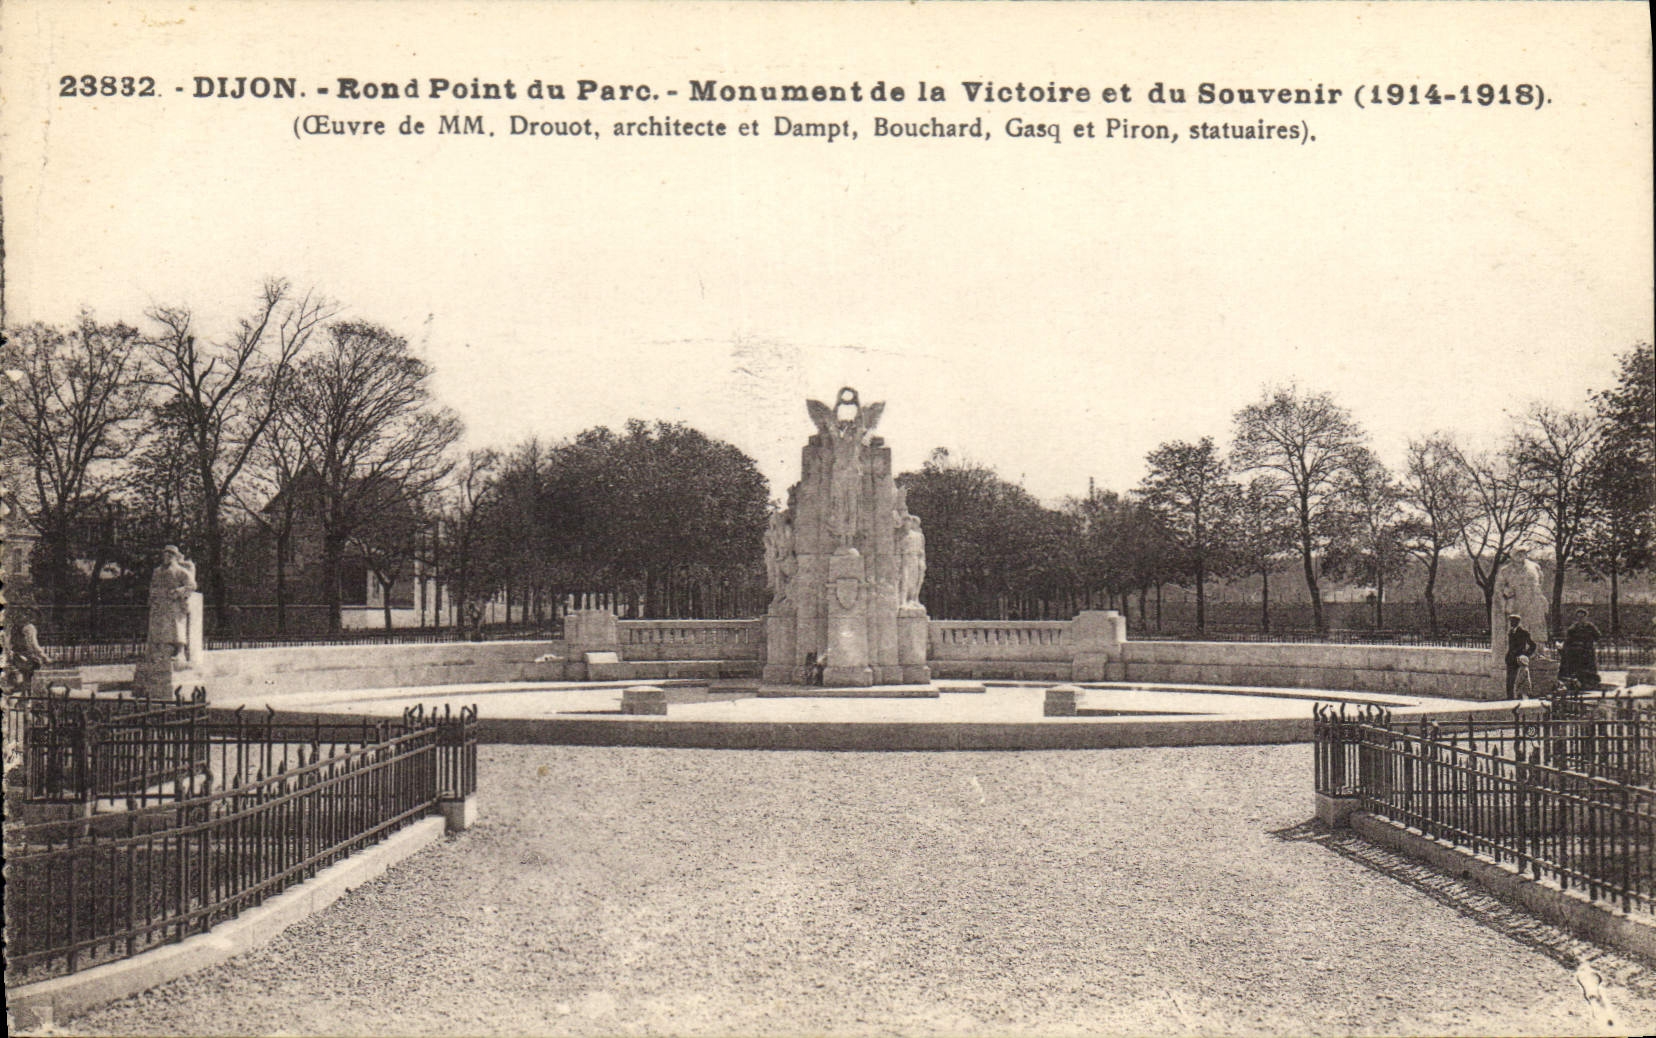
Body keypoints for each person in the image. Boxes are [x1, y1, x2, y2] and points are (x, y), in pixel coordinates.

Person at [1558, 608, 1603, 689]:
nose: (1580, 619)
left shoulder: (1590, 627)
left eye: (1582, 617)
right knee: (1576, 668)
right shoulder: (1573, 628)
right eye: (1579, 617)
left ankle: (1590, 684)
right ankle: (1577, 683)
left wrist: (1590, 641)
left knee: (1588, 668)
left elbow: (1598, 636)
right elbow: (1568, 639)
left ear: (1586, 617)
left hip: (1587, 651)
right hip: (1576, 652)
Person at [1505, 613, 1537, 698]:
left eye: (1513, 621)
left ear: (1517, 622)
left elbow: (1533, 645)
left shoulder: (1523, 632)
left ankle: (1518, 697)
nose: (1511, 623)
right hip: (1511, 659)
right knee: (1509, 680)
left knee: (1520, 680)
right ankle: (1510, 698)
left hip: (1519, 660)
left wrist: (1525, 655)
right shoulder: (1511, 632)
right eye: (1510, 621)